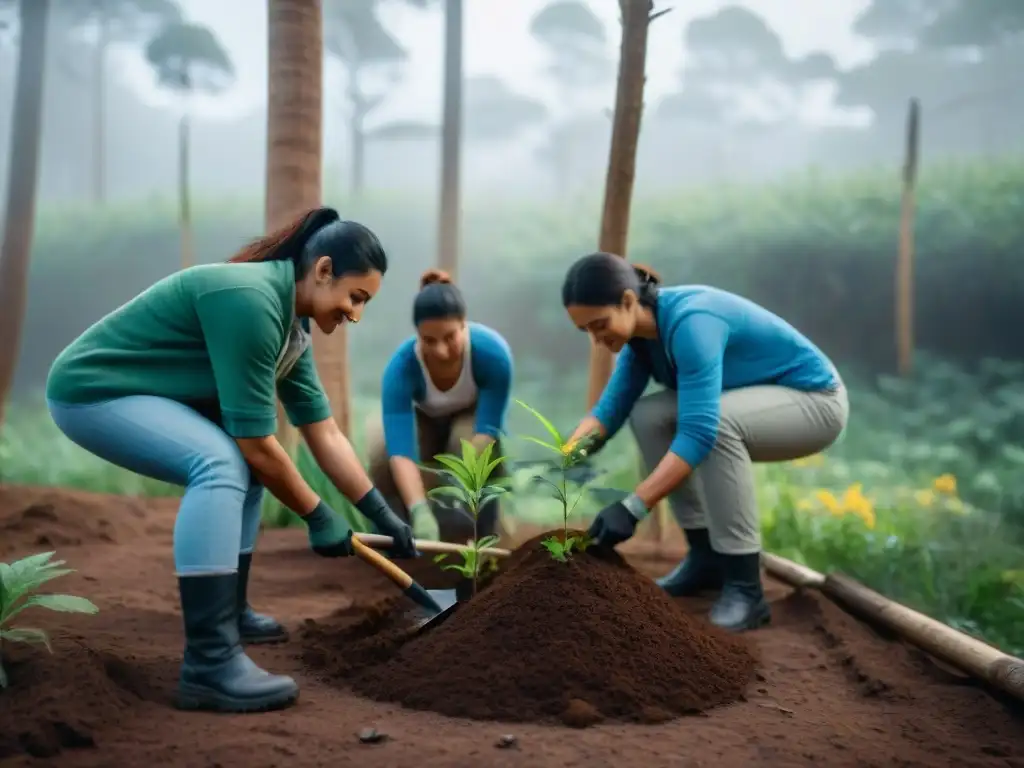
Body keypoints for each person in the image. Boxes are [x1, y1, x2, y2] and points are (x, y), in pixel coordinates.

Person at [45, 207, 417, 714]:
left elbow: (324, 432)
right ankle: (210, 663)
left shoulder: (290, 330)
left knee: (246, 469)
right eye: (357, 297)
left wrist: (379, 512)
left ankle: (231, 612)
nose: (356, 314)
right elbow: (259, 444)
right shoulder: (251, 300)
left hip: (149, 397)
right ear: (324, 270)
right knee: (223, 461)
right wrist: (318, 515)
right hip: (93, 392)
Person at [562, 252, 848, 632]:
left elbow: (698, 432)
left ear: (629, 301)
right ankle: (706, 559)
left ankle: (747, 589)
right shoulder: (641, 340)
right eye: (587, 332)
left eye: (600, 325)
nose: (597, 340)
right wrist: (565, 457)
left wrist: (633, 507)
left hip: (815, 403)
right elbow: (611, 409)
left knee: (718, 426)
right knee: (649, 416)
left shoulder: (692, 324)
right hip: (759, 401)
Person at [367, 270, 513, 543]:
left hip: (471, 418)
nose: (441, 351)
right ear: (417, 334)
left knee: (466, 442)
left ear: (463, 325)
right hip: (424, 419)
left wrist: (454, 484)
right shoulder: (401, 368)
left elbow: (488, 426)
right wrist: (420, 509)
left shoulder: (492, 354)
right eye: (429, 341)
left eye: (450, 337)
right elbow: (400, 450)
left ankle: (483, 530)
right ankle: (399, 530)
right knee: (380, 447)